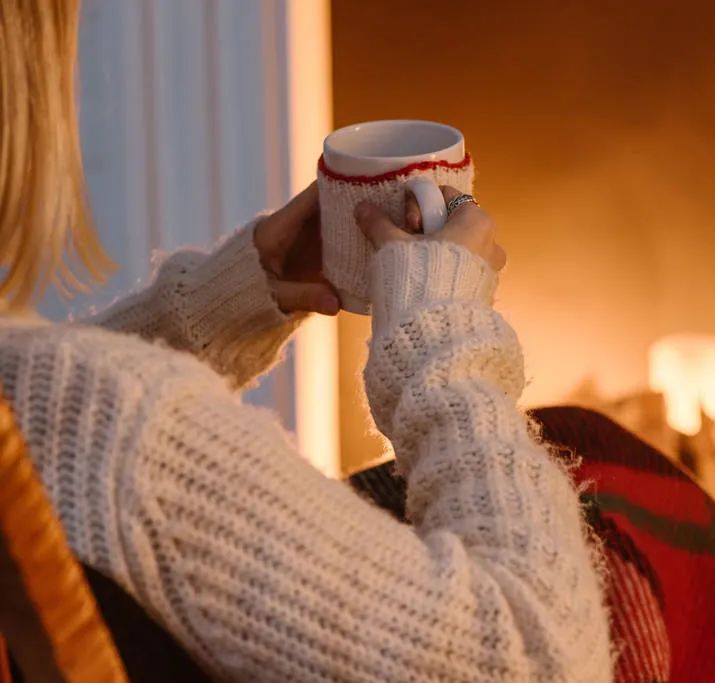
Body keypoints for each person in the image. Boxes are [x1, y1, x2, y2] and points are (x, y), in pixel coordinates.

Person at [0, 2, 612, 681]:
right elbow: (544, 656)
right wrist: (443, 332)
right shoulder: (128, 429)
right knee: (610, 477)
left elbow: (41, 423)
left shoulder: (65, 407)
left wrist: (212, 313)